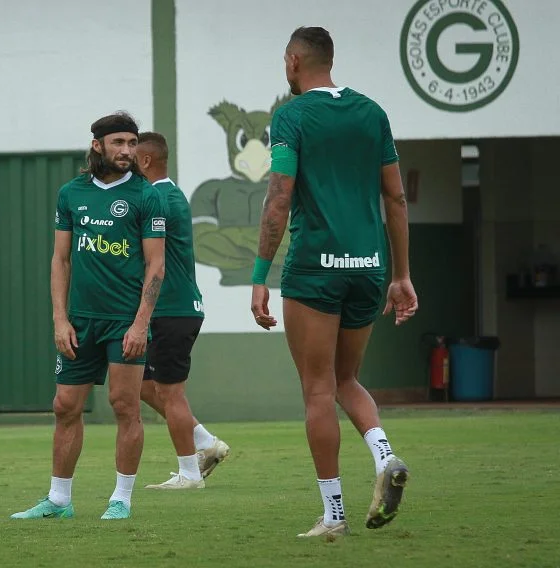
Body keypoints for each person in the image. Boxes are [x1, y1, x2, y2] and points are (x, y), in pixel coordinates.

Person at [250, 27, 417, 538]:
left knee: (318, 390)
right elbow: (396, 199)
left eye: (286, 61)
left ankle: (334, 516)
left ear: (294, 61)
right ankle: (385, 455)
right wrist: (402, 275)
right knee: (346, 381)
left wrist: (259, 275)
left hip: (315, 270)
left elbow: (279, 198)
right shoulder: (372, 112)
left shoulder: (291, 117)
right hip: (368, 268)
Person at [11, 112, 166, 521]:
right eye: (119, 143)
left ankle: (122, 498)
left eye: (132, 143)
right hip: (81, 320)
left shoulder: (147, 196)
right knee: (64, 405)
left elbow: (156, 266)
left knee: (124, 405)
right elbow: (60, 260)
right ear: (98, 145)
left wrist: (140, 324)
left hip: (124, 321)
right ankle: (58, 501)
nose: (127, 151)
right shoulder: (71, 193)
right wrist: (60, 319)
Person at [133, 132, 230, 490]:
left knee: (171, 393)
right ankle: (205, 442)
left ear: (145, 162)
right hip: (173, 309)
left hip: (172, 310)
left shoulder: (158, 198)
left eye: (131, 159)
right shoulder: (167, 195)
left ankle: (190, 474)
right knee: (144, 387)